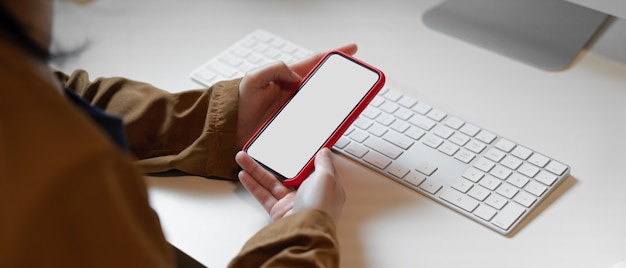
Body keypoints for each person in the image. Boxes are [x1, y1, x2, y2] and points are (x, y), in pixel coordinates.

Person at [0, 0, 352, 267]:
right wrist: (305, 230)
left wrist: (222, 119)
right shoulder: (63, 181)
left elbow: (65, 94)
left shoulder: (16, 80)